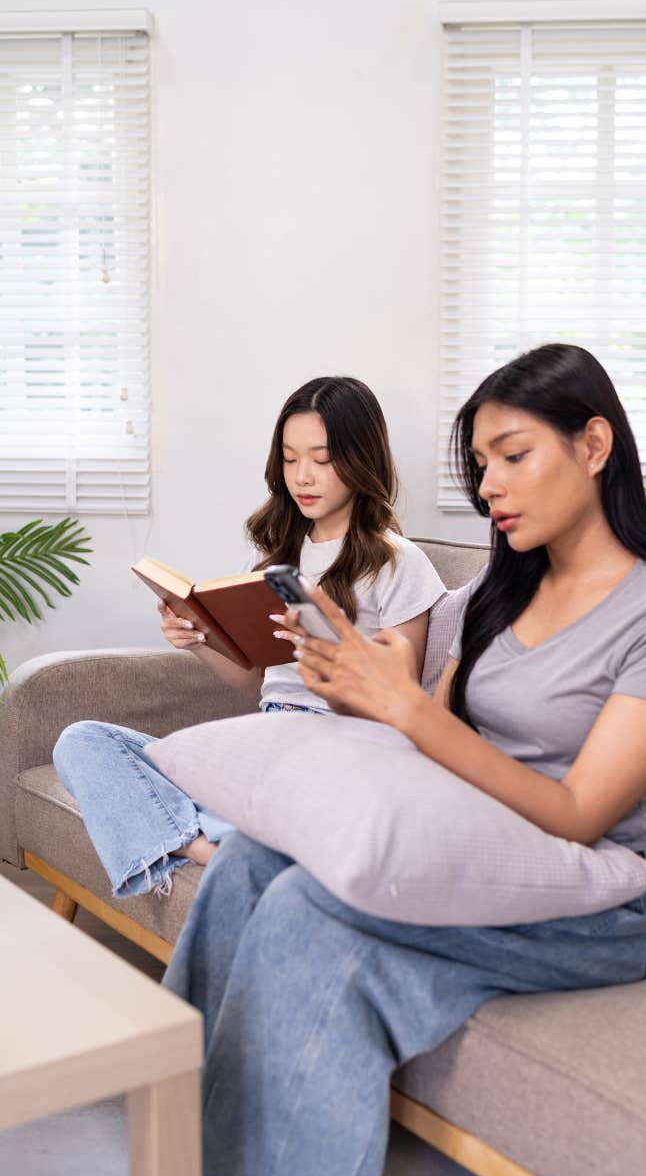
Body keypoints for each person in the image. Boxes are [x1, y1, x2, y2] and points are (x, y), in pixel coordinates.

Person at [162, 344, 646, 1176]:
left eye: (512, 455)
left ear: (594, 444)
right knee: (248, 867)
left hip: (621, 895)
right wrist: (356, 684)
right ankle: (190, 1170)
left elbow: (580, 815)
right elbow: (440, 740)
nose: (488, 486)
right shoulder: (502, 594)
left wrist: (407, 709)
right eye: (480, 466)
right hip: (485, 844)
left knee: (316, 921)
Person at [52, 376, 445, 897]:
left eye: (322, 459)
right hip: (264, 740)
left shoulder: (397, 562)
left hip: (340, 750)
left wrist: (325, 649)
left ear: (360, 458)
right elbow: (253, 682)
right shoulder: (275, 561)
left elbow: (403, 702)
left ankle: (199, 833)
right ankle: (205, 846)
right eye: (289, 458)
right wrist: (199, 637)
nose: (302, 476)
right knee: (82, 742)